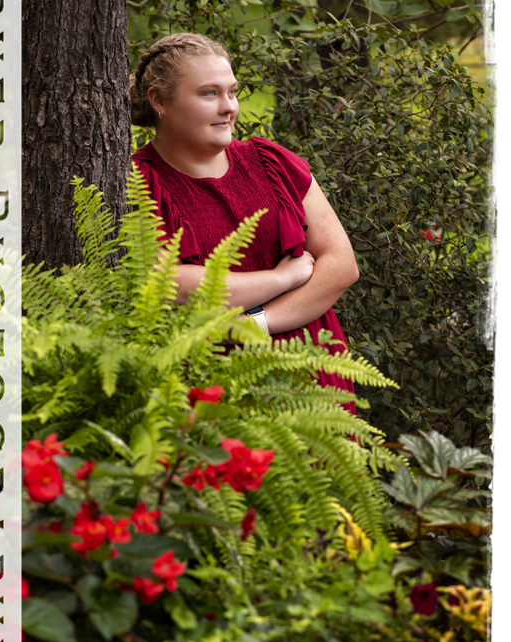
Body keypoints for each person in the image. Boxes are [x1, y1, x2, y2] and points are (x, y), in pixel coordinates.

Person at [130, 32, 359, 409]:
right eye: (209, 94)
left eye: (231, 92)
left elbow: (341, 266)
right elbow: (176, 286)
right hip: (214, 386)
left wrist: (253, 325)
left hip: (315, 380)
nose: (228, 107)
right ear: (158, 100)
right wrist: (282, 277)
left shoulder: (272, 162)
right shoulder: (138, 182)